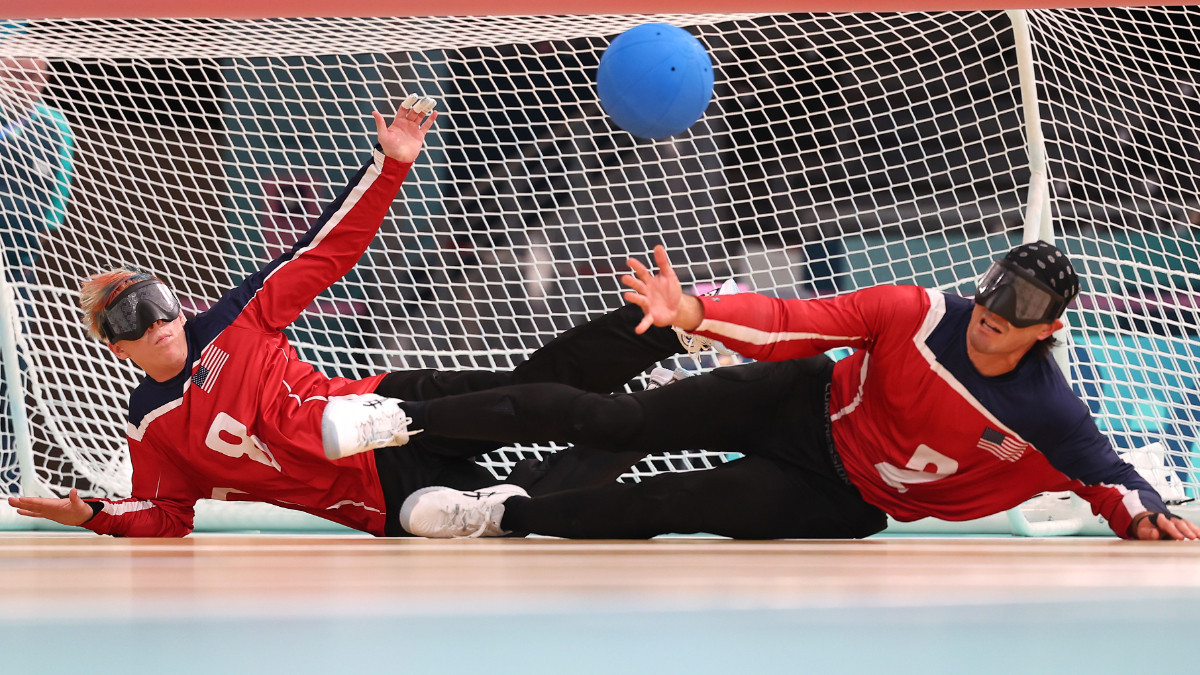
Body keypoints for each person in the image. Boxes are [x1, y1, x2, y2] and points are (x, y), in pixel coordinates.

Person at [6, 99, 686, 537]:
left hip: (387, 406)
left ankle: (676, 325)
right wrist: (94, 513)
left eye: (158, 299)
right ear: (118, 347)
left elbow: (324, 247)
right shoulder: (152, 428)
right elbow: (166, 514)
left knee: (529, 386)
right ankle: (652, 420)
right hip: (375, 491)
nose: (158, 319)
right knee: (531, 508)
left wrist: (389, 166)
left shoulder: (236, 318)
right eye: (134, 315)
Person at [392, 242, 1200, 541]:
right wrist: (695, 314)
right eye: (996, 293)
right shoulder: (917, 313)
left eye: (1020, 311)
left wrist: (1141, 514)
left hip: (837, 494)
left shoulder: (1043, 410)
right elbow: (792, 319)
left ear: (1048, 331)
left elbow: (1106, 473)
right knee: (620, 418)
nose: (994, 316)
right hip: (800, 399)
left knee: (673, 503)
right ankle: (399, 416)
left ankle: (502, 515)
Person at [1, 46, 76, 492]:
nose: (30, 85)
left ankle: (9, 481)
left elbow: (52, 211)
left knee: (13, 372)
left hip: (14, 275)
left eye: (37, 75)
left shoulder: (52, 127)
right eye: (18, 75)